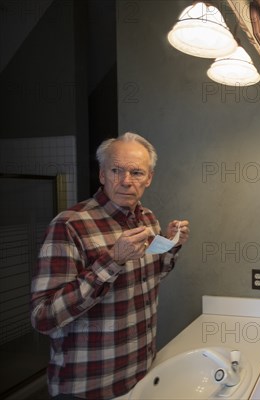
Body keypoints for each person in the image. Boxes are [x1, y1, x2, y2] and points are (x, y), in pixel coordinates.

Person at [31, 132, 190, 399]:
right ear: (102, 175)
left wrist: (171, 245)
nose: (126, 181)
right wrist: (112, 260)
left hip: (140, 374)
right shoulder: (69, 225)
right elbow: (43, 317)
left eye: (137, 172)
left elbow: (151, 277)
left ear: (149, 178)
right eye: (116, 170)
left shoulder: (148, 219)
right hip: (88, 385)